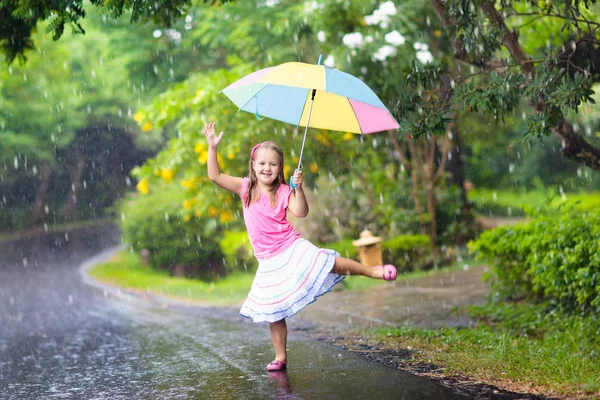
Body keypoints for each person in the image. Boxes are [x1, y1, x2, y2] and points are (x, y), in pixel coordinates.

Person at [203, 122, 397, 372]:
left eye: (273, 164)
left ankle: (372, 271)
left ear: (279, 168)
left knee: (326, 261)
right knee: (274, 309)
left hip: (291, 246)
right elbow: (214, 176)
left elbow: (301, 212)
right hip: (268, 259)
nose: (267, 168)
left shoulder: (284, 191)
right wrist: (212, 148)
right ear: (253, 165)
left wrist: (299, 188)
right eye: (262, 163)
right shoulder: (246, 189)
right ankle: (280, 356)